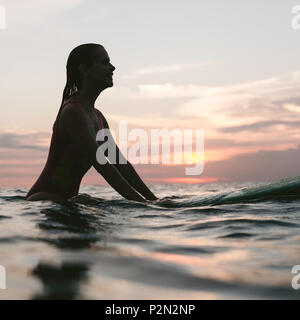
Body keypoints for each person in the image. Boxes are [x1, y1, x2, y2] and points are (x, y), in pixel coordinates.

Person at [26, 43, 157, 205]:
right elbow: (103, 165)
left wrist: (154, 200)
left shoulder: (98, 117)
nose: (113, 67)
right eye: (105, 62)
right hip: (44, 200)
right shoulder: (73, 112)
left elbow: (120, 163)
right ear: (85, 70)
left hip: (65, 202)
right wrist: (142, 204)